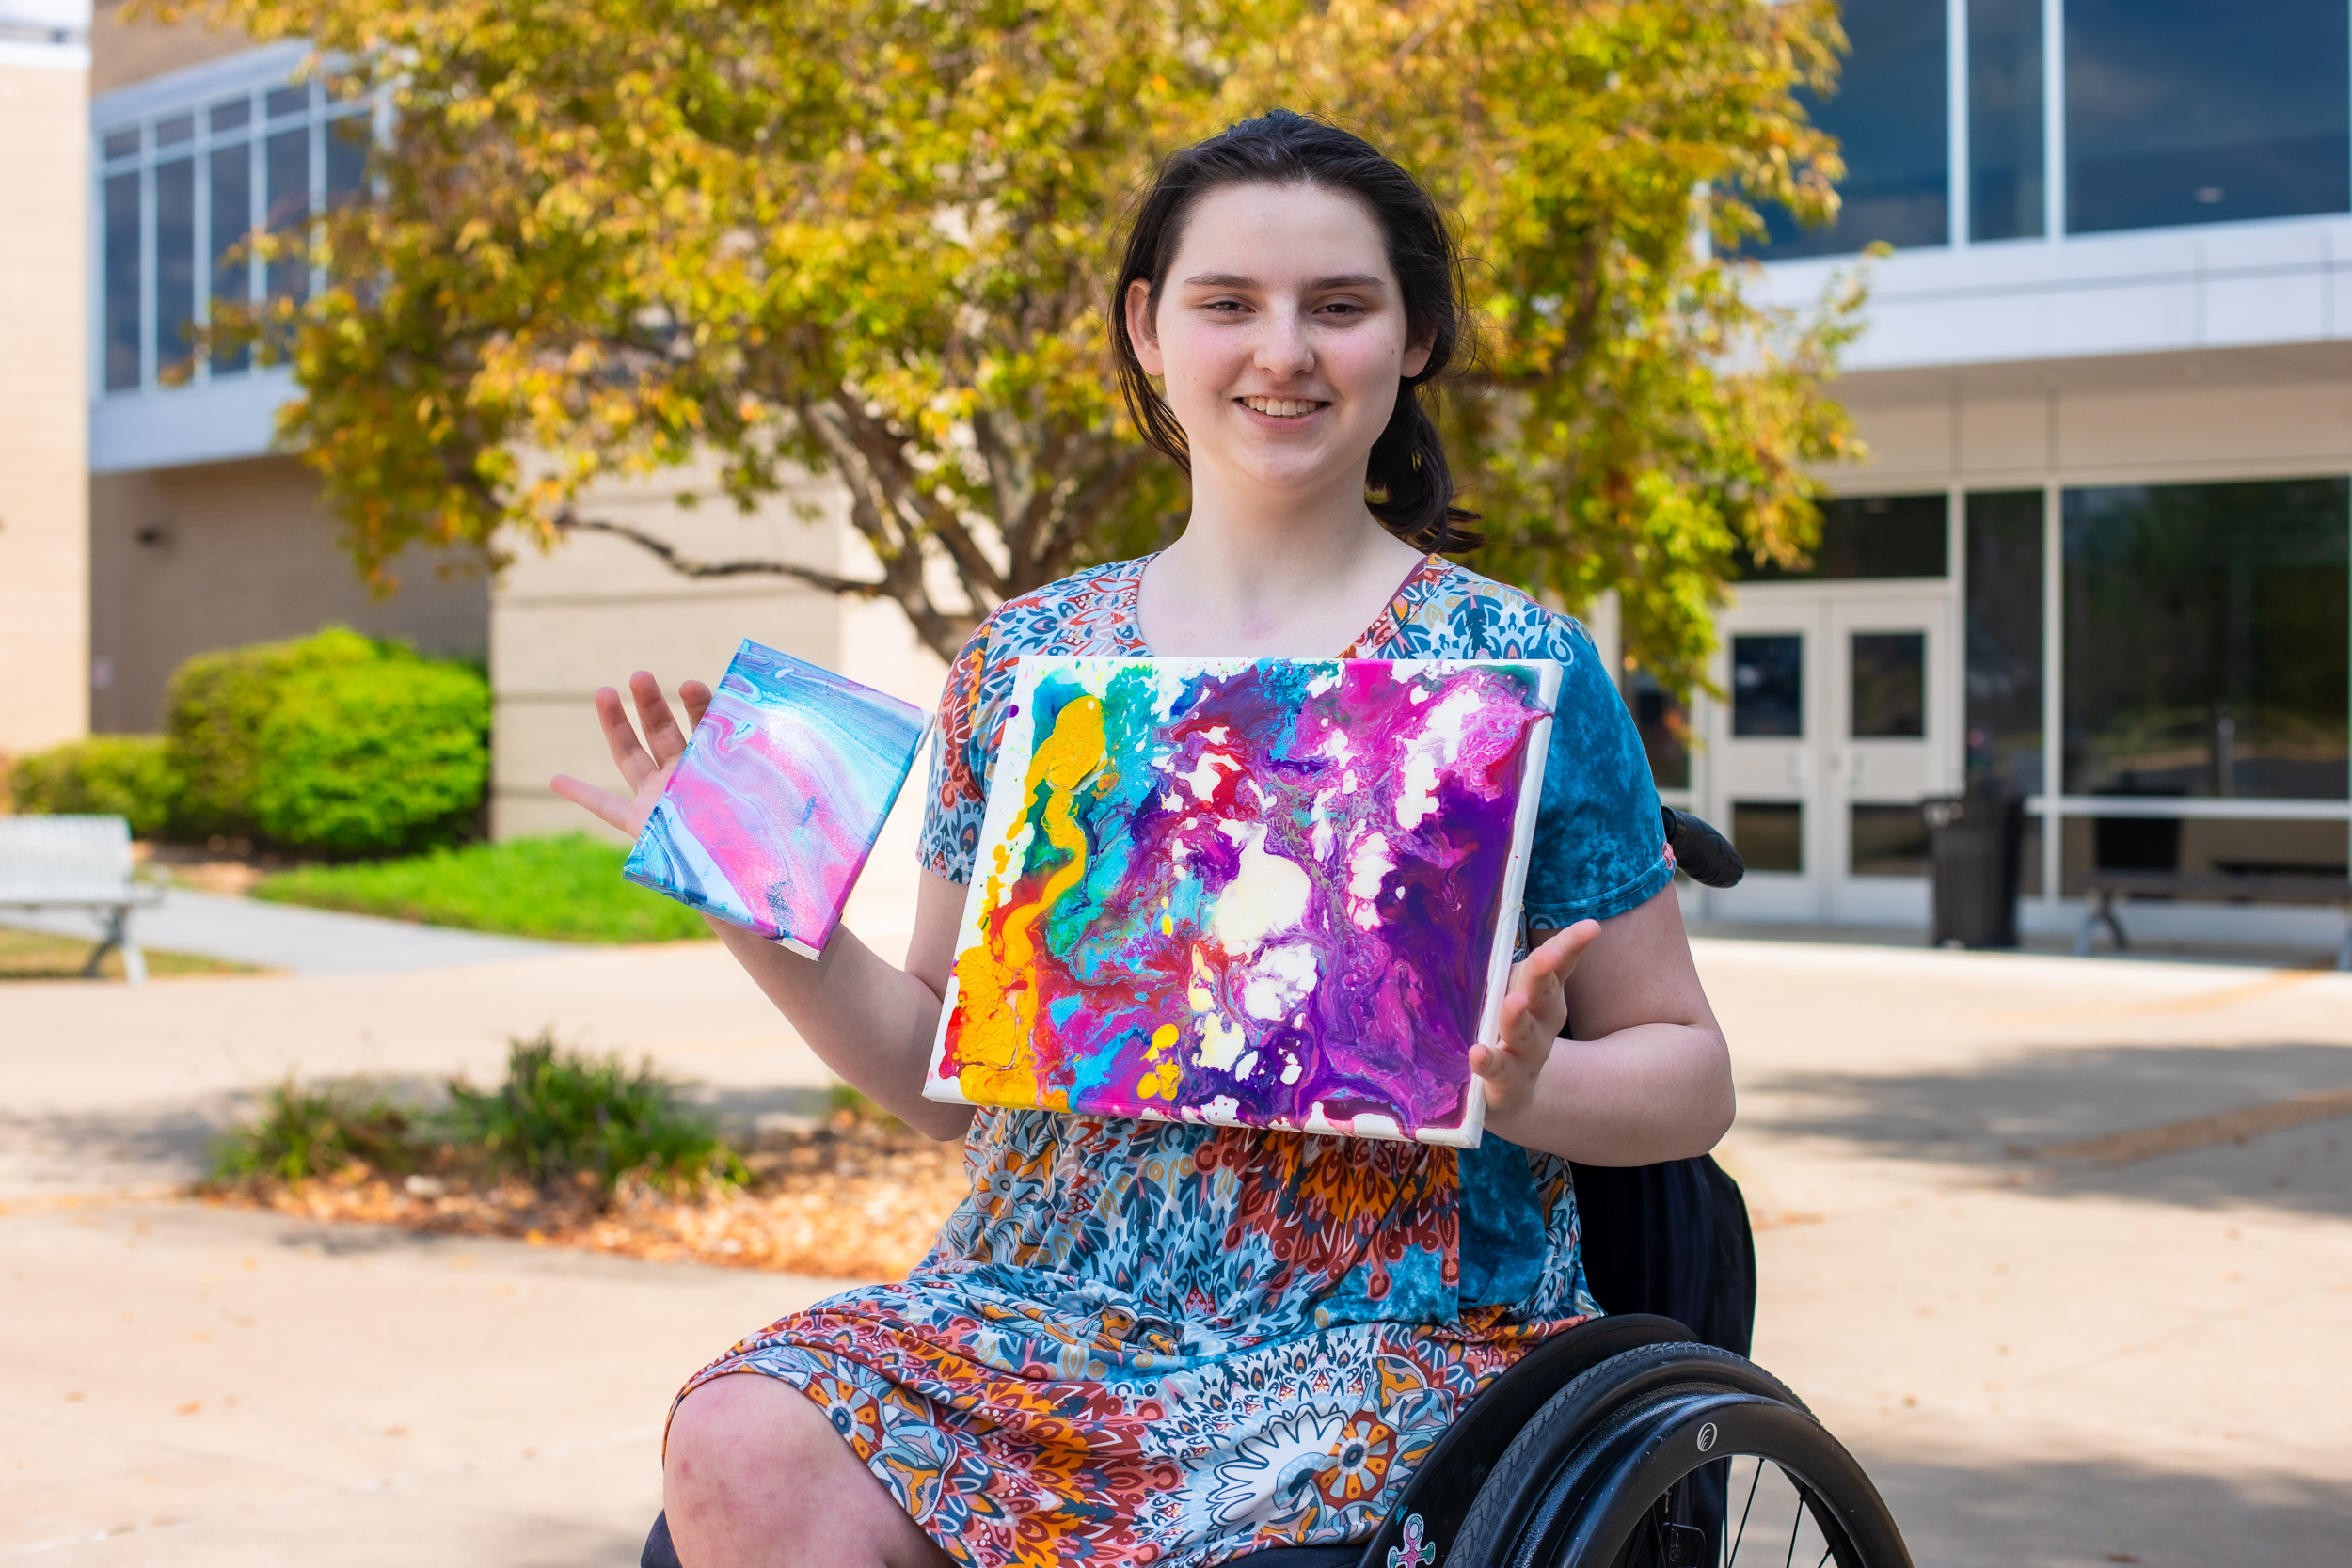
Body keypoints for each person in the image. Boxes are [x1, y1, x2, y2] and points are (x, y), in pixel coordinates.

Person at [556, 109, 1737, 1568]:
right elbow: (943, 1083)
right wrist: (750, 901)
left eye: (1340, 306)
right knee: (740, 1438)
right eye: (1228, 303)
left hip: (1394, 1336)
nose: (1282, 351)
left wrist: (1534, 1085)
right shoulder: (1028, 663)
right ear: (1149, 326)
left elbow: (1690, 1075)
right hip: (1030, 1308)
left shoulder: (1512, 667)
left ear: (1414, 338)